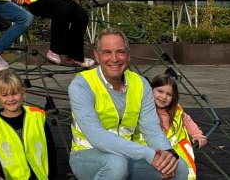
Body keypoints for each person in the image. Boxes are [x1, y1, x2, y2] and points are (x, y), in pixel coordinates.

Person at [68, 28, 189, 180]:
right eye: (107, 52)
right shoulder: (82, 85)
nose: (114, 58)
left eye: (120, 52)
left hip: (127, 155)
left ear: (128, 55)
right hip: (86, 155)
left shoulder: (140, 83)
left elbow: (151, 129)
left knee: (180, 167)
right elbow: (97, 137)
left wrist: (167, 153)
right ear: (97, 56)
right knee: (116, 164)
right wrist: (148, 154)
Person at [0, 70, 56, 180]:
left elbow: (50, 149)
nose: (11, 99)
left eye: (15, 93)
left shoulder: (37, 116)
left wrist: (52, 175)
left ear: (23, 92)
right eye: (4, 95)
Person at [145, 75, 207, 180]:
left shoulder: (176, 111)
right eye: (160, 91)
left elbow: (187, 121)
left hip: (177, 156)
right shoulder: (144, 110)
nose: (164, 97)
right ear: (151, 90)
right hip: (153, 155)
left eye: (169, 94)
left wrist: (197, 134)